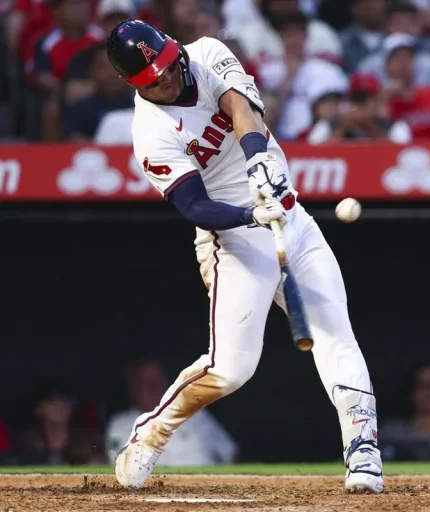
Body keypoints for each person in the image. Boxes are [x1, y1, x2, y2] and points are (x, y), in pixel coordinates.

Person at [105, 20, 383, 493]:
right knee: (231, 369)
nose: (168, 78)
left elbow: (241, 108)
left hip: (291, 217)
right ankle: (151, 432)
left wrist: (257, 159)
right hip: (232, 238)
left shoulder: (207, 52)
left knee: (336, 333)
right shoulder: (150, 133)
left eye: (168, 66)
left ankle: (363, 451)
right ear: (135, 84)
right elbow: (195, 207)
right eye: (154, 79)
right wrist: (250, 216)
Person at [105, 360, 238, 465]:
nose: (154, 387)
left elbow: (230, 454)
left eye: (158, 380)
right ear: (133, 388)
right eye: (146, 382)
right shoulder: (119, 425)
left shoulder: (195, 415)